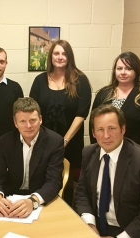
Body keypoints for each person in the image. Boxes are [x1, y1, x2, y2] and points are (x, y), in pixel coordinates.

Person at [75, 104, 140, 238]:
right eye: (100, 129)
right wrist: (90, 225)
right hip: (98, 226)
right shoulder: (89, 153)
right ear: (93, 133)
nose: (106, 135)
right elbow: (82, 192)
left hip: (134, 230)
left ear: (123, 129)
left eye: (112, 128)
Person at [29, 40, 91, 206]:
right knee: (43, 182)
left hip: (70, 144)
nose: (60, 57)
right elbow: (33, 111)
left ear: (69, 57)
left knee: (67, 185)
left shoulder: (80, 80)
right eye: (56, 53)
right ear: (51, 56)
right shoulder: (40, 80)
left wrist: (64, 141)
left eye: (64, 54)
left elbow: (81, 114)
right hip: (43, 143)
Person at [0, 97, 64, 218]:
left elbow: (54, 181)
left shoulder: (55, 142)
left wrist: (33, 201)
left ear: (40, 119)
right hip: (11, 200)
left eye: (33, 120)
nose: (28, 126)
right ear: (15, 123)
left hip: (40, 200)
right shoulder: (5, 141)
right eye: (22, 121)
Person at [90, 52, 140, 157]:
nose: (123, 72)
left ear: (136, 71)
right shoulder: (104, 94)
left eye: (128, 69)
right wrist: (96, 151)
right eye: (119, 68)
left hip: (136, 156)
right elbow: (94, 123)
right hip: (107, 153)